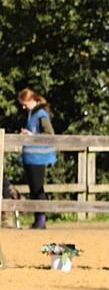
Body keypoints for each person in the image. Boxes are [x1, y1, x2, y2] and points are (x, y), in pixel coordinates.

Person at [18, 88, 56, 229]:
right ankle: (37, 219)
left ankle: (41, 220)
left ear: (32, 100)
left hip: (38, 157)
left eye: (25, 103)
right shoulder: (32, 114)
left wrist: (32, 136)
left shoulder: (40, 114)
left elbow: (49, 134)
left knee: (38, 188)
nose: (23, 107)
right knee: (34, 189)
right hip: (31, 157)